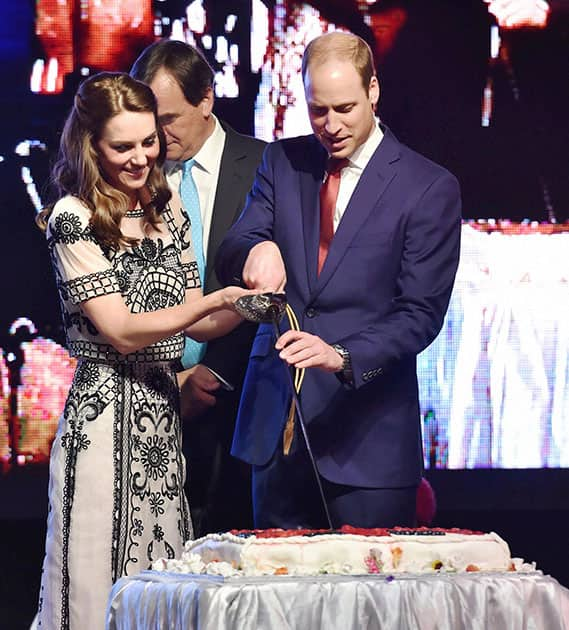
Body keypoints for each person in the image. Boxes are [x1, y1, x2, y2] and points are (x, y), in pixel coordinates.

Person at [34, 72, 256, 630]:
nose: (140, 157)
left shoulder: (167, 209)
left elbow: (198, 323)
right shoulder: (72, 219)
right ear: (91, 146)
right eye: (123, 146)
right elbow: (123, 330)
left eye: (149, 141)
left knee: (160, 579)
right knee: (93, 587)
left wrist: (250, 307)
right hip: (104, 417)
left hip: (160, 416)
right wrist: (217, 300)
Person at [215, 32, 462, 530]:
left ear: (373, 90)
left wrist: (342, 356)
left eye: (345, 108)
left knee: (366, 602)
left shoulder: (428, 187)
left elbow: (420, 315)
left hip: (367, 438)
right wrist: (254, 250)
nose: (331, 125)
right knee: (274, 601)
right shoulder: (282, 163)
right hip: (277, 430)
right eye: (318, 110)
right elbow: (235, 244)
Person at [130, 40, 266, 536]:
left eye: (167, 119)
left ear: (206, 99)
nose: (156, 136)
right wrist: (171, 382)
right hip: (150, 402)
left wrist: (215, 372)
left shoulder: (267, 168)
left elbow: (281, 290)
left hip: (241, 402)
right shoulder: (129, 175)